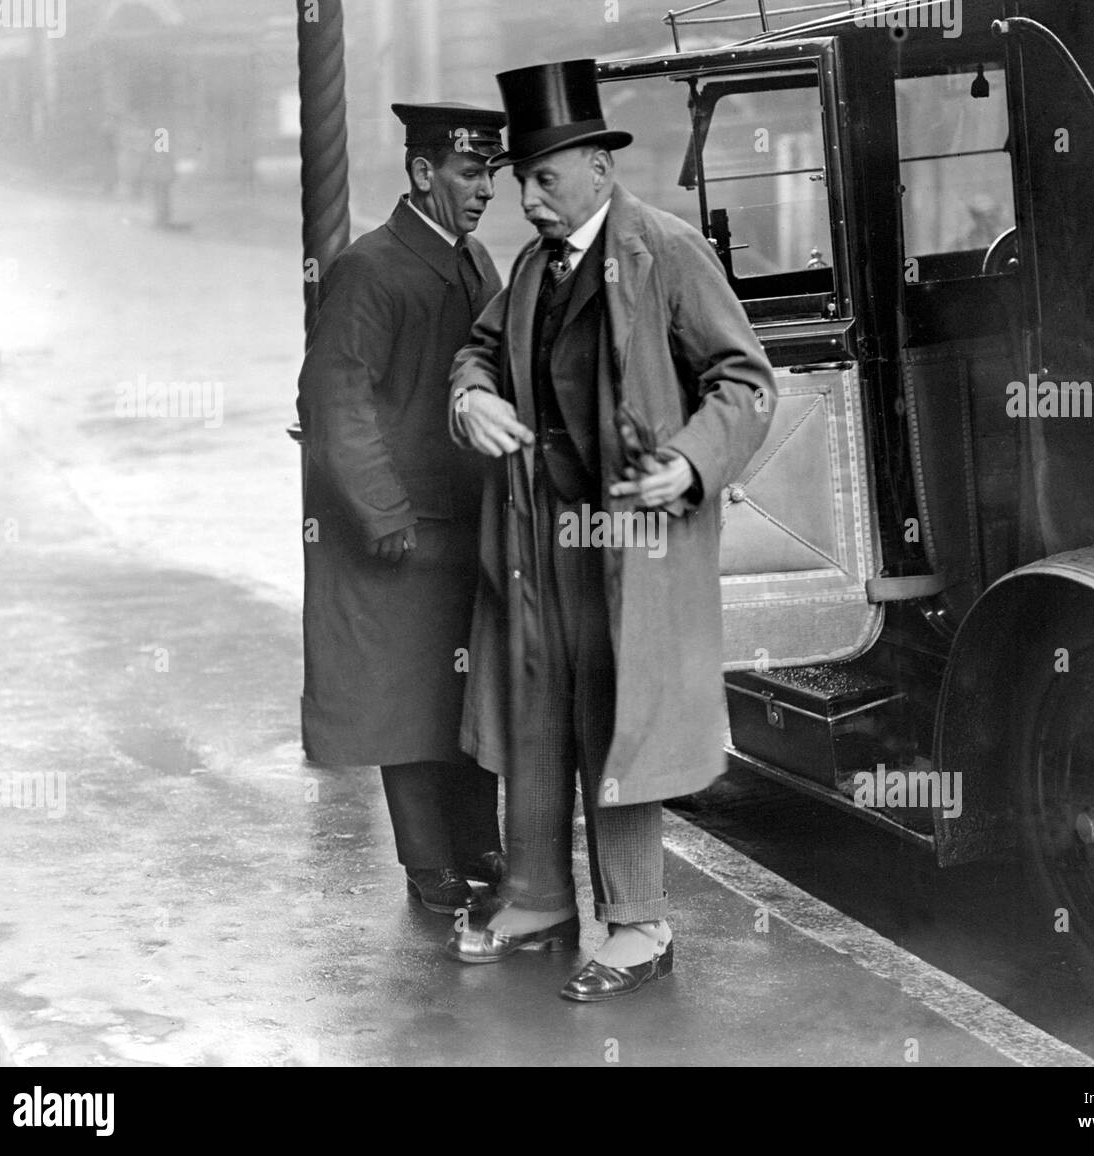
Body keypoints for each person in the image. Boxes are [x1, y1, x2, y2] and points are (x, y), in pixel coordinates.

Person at [445, 60, 775, 1000]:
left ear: (596, 167)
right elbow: (478, 346)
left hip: (630, 541)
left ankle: (640, 924)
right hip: (537, 533)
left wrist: (693, 461)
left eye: (544, 177)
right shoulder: (532, 268)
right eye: (519, 180)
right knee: (535, 706)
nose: (528, 198)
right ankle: (540, 898)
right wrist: (471, 395)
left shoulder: (663, 251)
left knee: (617, 716)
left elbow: (744, 381)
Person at [296, 102, 509, 916]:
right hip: (409, 532)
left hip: (471, 524)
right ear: (424, 174)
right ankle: (430, 865)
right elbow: (334, 396)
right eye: (469, 171)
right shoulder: (371, 267)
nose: (485, 187)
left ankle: (479, 841)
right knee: (407, 700)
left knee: (470, 690)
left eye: (490, 172)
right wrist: (383, 513)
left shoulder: (474, 263)